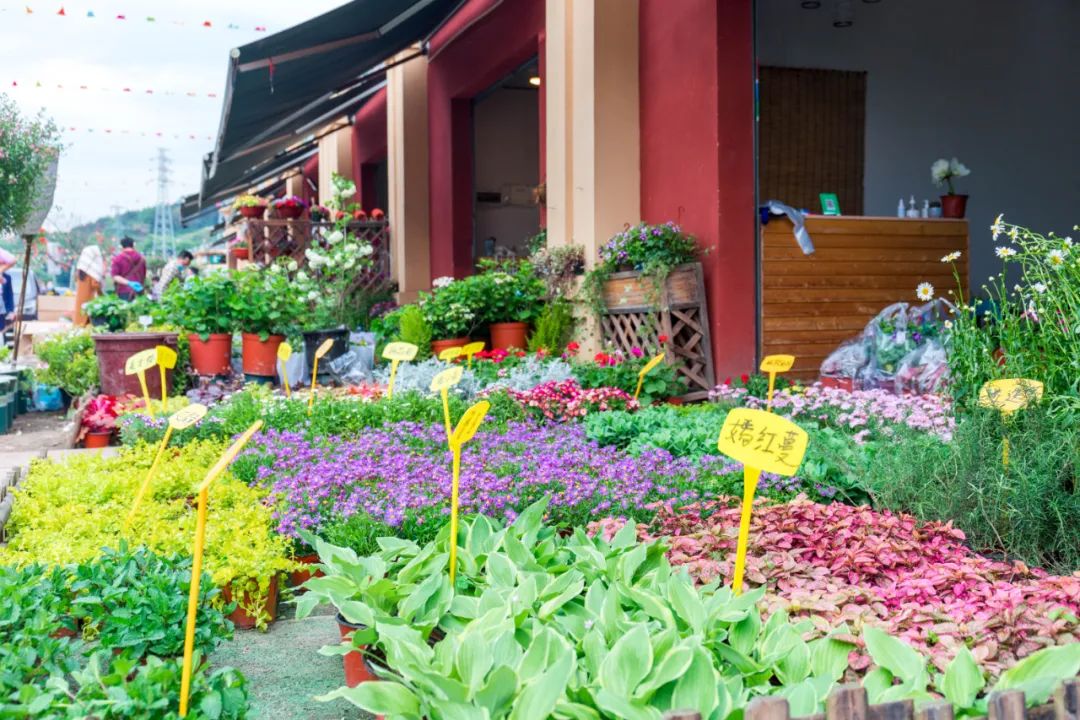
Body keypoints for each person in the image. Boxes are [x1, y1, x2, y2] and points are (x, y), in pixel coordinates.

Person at [74, 245, 106, 326]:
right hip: (89, 300)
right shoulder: (92, 271)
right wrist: (102, 294)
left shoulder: (81, 270)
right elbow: (95, 284)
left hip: (80, 301)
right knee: (87, 321)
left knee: (79, 319)